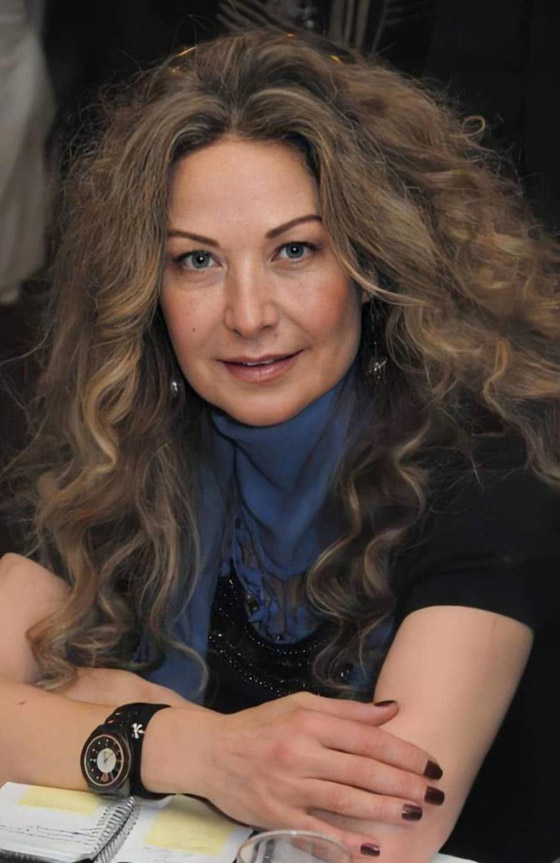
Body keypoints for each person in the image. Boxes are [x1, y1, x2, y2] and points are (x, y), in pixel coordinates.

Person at [1, 28, 559, 863]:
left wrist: (96, 705)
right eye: (197, 260)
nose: (249, 314)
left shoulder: (486, 470)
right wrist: (195, 747)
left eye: (294, 250)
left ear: (374, 263)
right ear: (144, 288)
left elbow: (375, 831)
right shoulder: (122, 442)